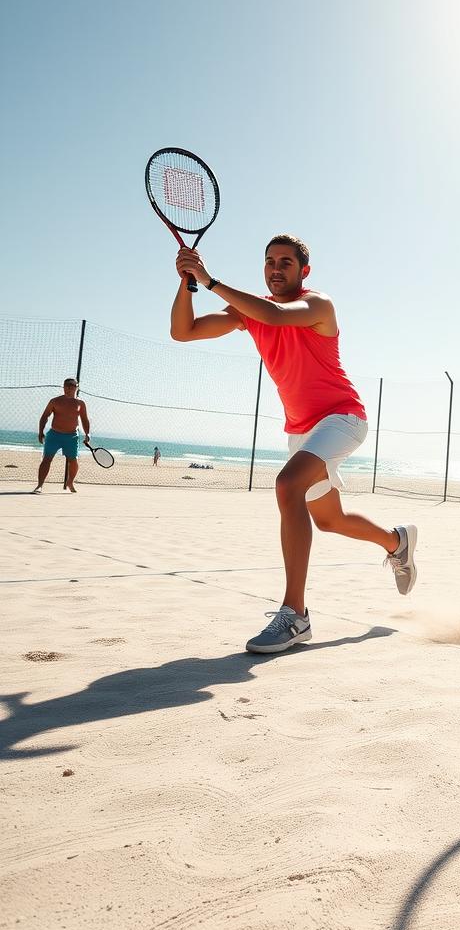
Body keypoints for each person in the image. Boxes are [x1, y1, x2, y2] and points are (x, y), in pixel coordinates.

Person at [170, 234, 417, 654]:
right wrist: (186, 282)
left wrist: (209, 280)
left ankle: (295, 614)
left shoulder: (318, 304)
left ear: (304, 271)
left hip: (342, 418)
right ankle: (397, 542)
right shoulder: (247, 312)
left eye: (285, 261)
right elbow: (184, 331)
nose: (275, 268)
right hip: (301, 430)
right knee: (328, 520)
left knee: (288, 486)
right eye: (269, 261)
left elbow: (277, 316)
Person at [34, 378, 90, 494]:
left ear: (76, 387)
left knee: (73, 461)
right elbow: (45, 416)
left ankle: (70, 482)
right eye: (66, 385)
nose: (69, 388)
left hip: (71, 436)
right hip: (54, 435)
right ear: (63, 387)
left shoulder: (80, 403)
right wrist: (41, 432)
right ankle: (39, 486)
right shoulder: (55, 401)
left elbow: (84, 419)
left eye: (72, 386)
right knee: (46, 459)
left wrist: (87, 433)